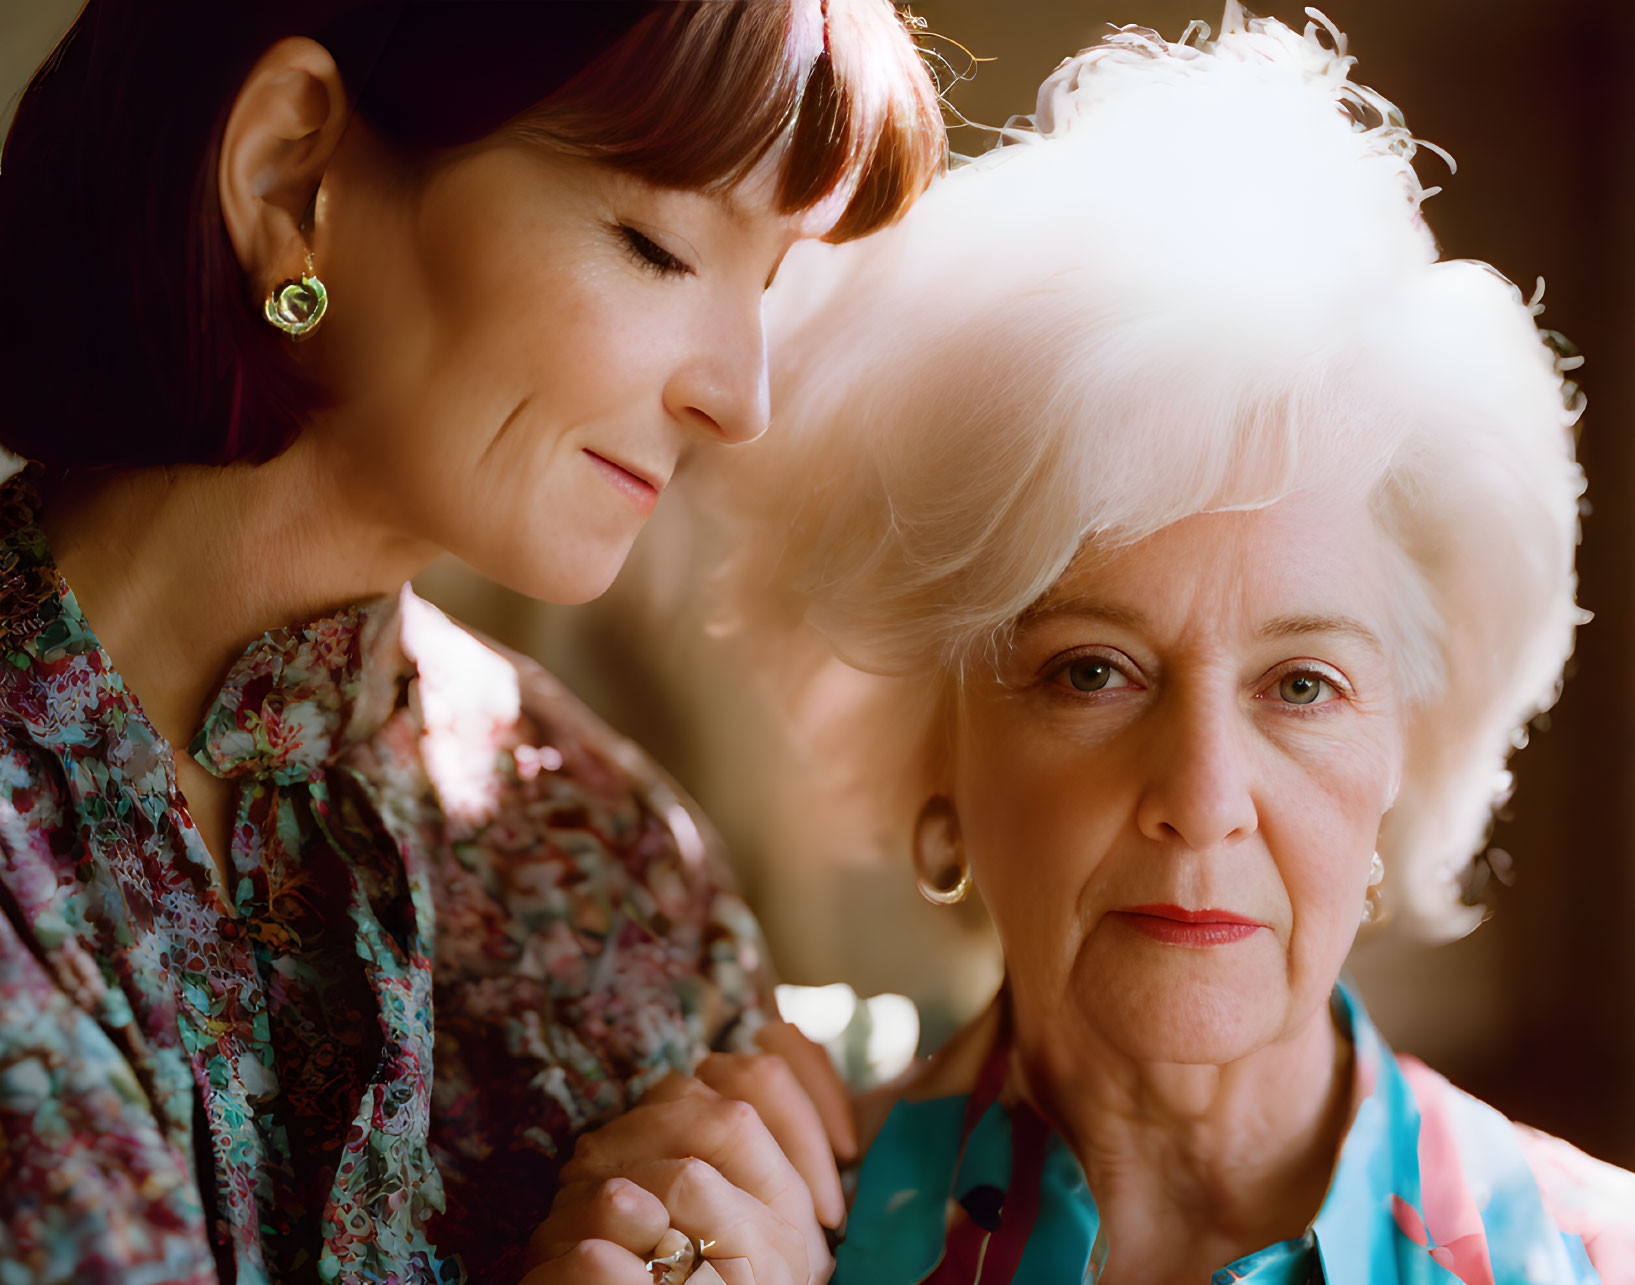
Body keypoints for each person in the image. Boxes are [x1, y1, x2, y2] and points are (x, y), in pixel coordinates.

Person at [0, 3, 943, 1283]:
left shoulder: (618, 869)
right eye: (656, 245)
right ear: (290, 171)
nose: (741, 399)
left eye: (768, 281)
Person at [714, 6, 1635, 1281]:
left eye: (1303, 685)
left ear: (1406, 753)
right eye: (1093, 671)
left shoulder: (1592, 1257)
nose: (1202, 803)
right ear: (937, 744)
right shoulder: (762, 1235)